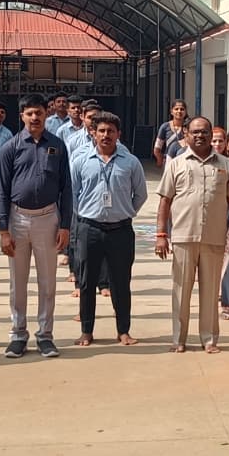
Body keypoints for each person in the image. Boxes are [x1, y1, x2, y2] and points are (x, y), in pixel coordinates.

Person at [156, 117, 229, 353]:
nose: (200, 136)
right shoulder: (176, 164)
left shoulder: (225, 165)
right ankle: (179, 339)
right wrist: (161, 234)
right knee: (181, 291)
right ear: (186, 134)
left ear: (211, 134)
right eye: (195, 132)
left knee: (210, 292)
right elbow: (165, 201)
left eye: (204, 132)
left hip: (214, 237)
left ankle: (209, 339)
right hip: (183, 237)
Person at [0, 93, 73, 360]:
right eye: (29, 113)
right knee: (17, 282)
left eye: (39, 112)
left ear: (46, 114)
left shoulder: (58, 146)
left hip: (48, 219)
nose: (34, 117)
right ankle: (18, 335)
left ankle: (45, 335)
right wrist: (4, 230)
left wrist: (65, 226)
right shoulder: (10, 147)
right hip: (18, 219)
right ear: (22, 116)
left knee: (47, 282)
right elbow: (1, 190)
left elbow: (66, 188)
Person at [71, 112, 148, 347]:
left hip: (120, 231)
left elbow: (140, 194)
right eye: (102, 131)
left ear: (118, 134)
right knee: (87, 282)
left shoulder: (130, 162)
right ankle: (86, 331)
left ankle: (123, 331)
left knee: (121, 282)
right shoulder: (81, 160)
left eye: (111, 131)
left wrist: (125, 211)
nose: (106, 135)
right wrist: (85, 213)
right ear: (93, 133)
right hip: (89, 229)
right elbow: (72, 194)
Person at [154, 100, 188, 166]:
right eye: (176, 109)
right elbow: (157, 148)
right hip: (169, 161)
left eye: (182, 109)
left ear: (185, 112)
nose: (179, 111)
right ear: (171, 112)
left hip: (185, 160)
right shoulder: (165, 127)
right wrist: (161, 161)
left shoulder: (189, 126)